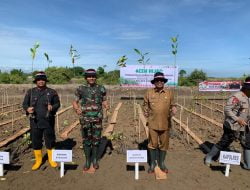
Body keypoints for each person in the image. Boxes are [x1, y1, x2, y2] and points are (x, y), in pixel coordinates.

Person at [205, 77, 250, 169]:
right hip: (232, 125)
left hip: (245, 126)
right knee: (224, 142)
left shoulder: (249, 98)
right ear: (247, 88)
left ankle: (247, 165)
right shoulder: (237, 96)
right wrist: (237, 119)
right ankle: (209, 157)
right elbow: (227, 110)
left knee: (247, 143)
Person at [23, 71, 60, 170]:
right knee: (36, 141)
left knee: (50, 140)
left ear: (45, 81)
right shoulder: (30, 92)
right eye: (39, 80)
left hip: (48, 120)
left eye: (43, 79)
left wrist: (52, 107)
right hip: (35, 121)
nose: (41, 81)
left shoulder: (52, 92)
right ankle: (38, 160)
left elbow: (57, 104)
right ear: (36, 81)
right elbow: (24, 104)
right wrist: (27, 109)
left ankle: (52, 159)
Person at [72, 69, 108, 171]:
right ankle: (88, 161)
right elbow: (75, 101)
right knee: (86, 140)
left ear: (95, 77)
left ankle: (95, 160)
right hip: (85, 119)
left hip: (97, 118)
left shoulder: (101, 88)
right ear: (86, 78)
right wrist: (76, 108)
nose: (91, 78)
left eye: (93, 76)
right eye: (89, 76)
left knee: (96, 140)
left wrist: (106, 105)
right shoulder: (80, 88)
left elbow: (104, 100)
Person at [143, 72, 177, 173]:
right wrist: (145, 110)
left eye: (161, 80)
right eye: (157, 80)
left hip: (165, 124)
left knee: (164, 144)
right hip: (152, 124)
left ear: (164, 82)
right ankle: (153, 164)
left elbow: (173, 104)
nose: (159, 82)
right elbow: (145, 104)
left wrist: (174, 108)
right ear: (154, 82)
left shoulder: (169, 93)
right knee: (152, 144)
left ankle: (161, 163)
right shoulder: (149, 92)